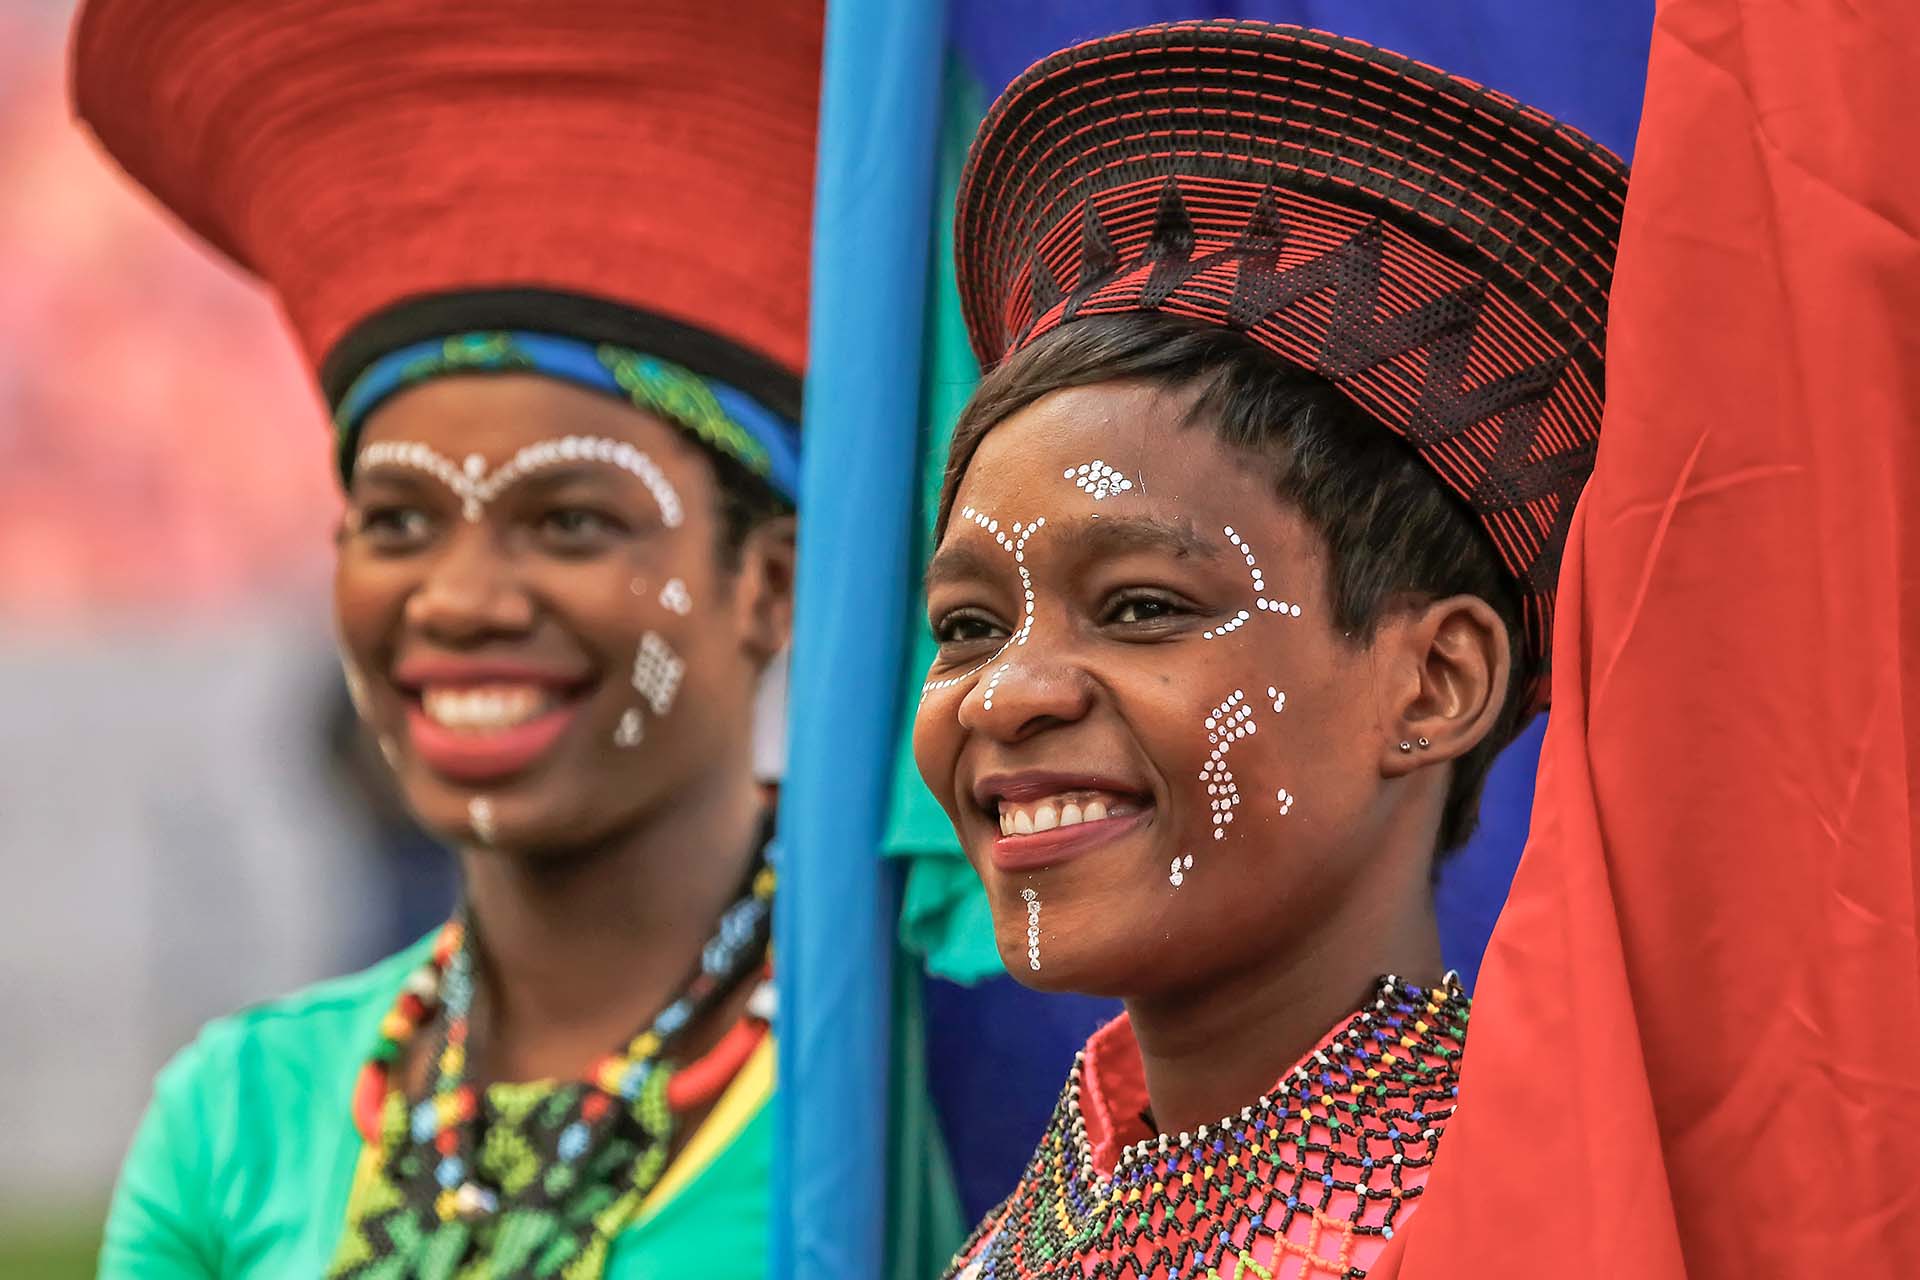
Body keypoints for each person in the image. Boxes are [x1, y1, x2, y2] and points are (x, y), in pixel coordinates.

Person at [74, 2, 955, 1276]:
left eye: (571, 520)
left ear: (770, 585)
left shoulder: (943, 1077)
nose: (460, 598)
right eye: (398, 519)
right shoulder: (239, 1119)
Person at [912, 21, 1627, 1277]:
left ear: (1435, 681)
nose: (1006, 694)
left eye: (1142, 606)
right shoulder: (1020, 1238)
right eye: (969, 626)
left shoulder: (1521, 1230)